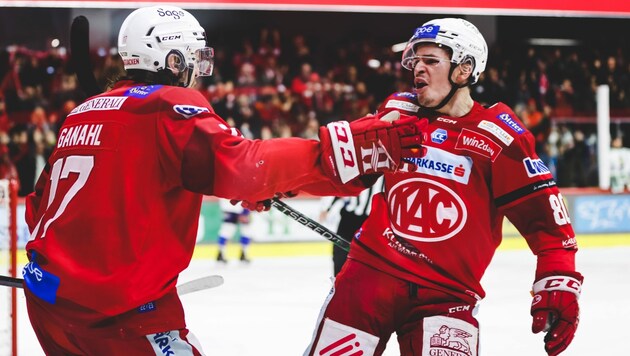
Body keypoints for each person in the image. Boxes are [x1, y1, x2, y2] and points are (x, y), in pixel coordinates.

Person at [20, 6, 427, 355]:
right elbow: (243, 167)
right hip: (116, 316)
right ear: (173, 59)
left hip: (49, 303)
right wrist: (342, 153)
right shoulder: (166, 104)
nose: (199, 68)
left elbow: (40, 206)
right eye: (193, 56)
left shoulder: (84, 113)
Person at [305, 18, 582, 356]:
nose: (417, 70)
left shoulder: (498, 137)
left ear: (464, 70)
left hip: (447, 295)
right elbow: (342, 166)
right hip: (368, 276)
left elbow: (549, 225)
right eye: (415, 62)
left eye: (431, 62)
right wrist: (278, 183)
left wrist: (559, 283)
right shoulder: (397, 112)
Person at [320, 176, 384, 276]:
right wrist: (326, 207)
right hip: (350, 217)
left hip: (375, 220)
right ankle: (338, 285)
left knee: (373, 261)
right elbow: (338, 181)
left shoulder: (391, 167)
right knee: (340, 255)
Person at [216, 198, 253, 263]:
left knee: (227, 230)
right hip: (238, 205)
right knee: (244, 230)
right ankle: (243, 253)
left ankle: (221, 252)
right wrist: (246, 211)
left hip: (229, 206)